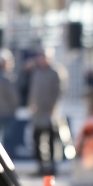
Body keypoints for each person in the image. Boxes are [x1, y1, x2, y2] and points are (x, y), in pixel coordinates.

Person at [27, 48, 65, 176]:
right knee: (36, 139)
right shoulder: (36, 72)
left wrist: (53, 108)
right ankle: (40, 166)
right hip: (37, 112)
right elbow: (33, 90)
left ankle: (52, 167)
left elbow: (59, 92)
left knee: (51, 140)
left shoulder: (55, 72)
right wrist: (31, 104)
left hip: (50, 113)